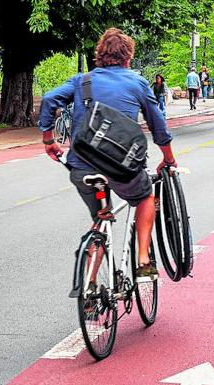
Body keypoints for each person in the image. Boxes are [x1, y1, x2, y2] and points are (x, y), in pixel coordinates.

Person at [38, 28, 176, 278]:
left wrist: (49, 139)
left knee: (100, 221)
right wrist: (168, 158)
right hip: (122, 169)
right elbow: (158, 126)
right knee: (145, 198)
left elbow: (49, 99)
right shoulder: (137, 83)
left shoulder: (82, 81)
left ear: (99, 55)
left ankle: (89, 285)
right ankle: (143, 260)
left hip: (82, 167)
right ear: (128, 57)